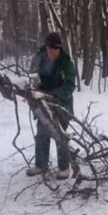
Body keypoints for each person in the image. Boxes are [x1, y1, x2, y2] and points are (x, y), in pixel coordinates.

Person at [26, 32, 76, 179]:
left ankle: (64, 168)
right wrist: (33, 91)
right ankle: (41, 165)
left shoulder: (66, 63)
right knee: (42, 134)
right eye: (50, 48)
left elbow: (70, 86)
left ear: (60, 49)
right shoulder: (38, 58)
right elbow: (32, 77)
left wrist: (52, 95)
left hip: (61, 104)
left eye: (56, 49)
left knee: (60, 134)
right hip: (41, 103)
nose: (52, 51)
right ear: (46, 47)